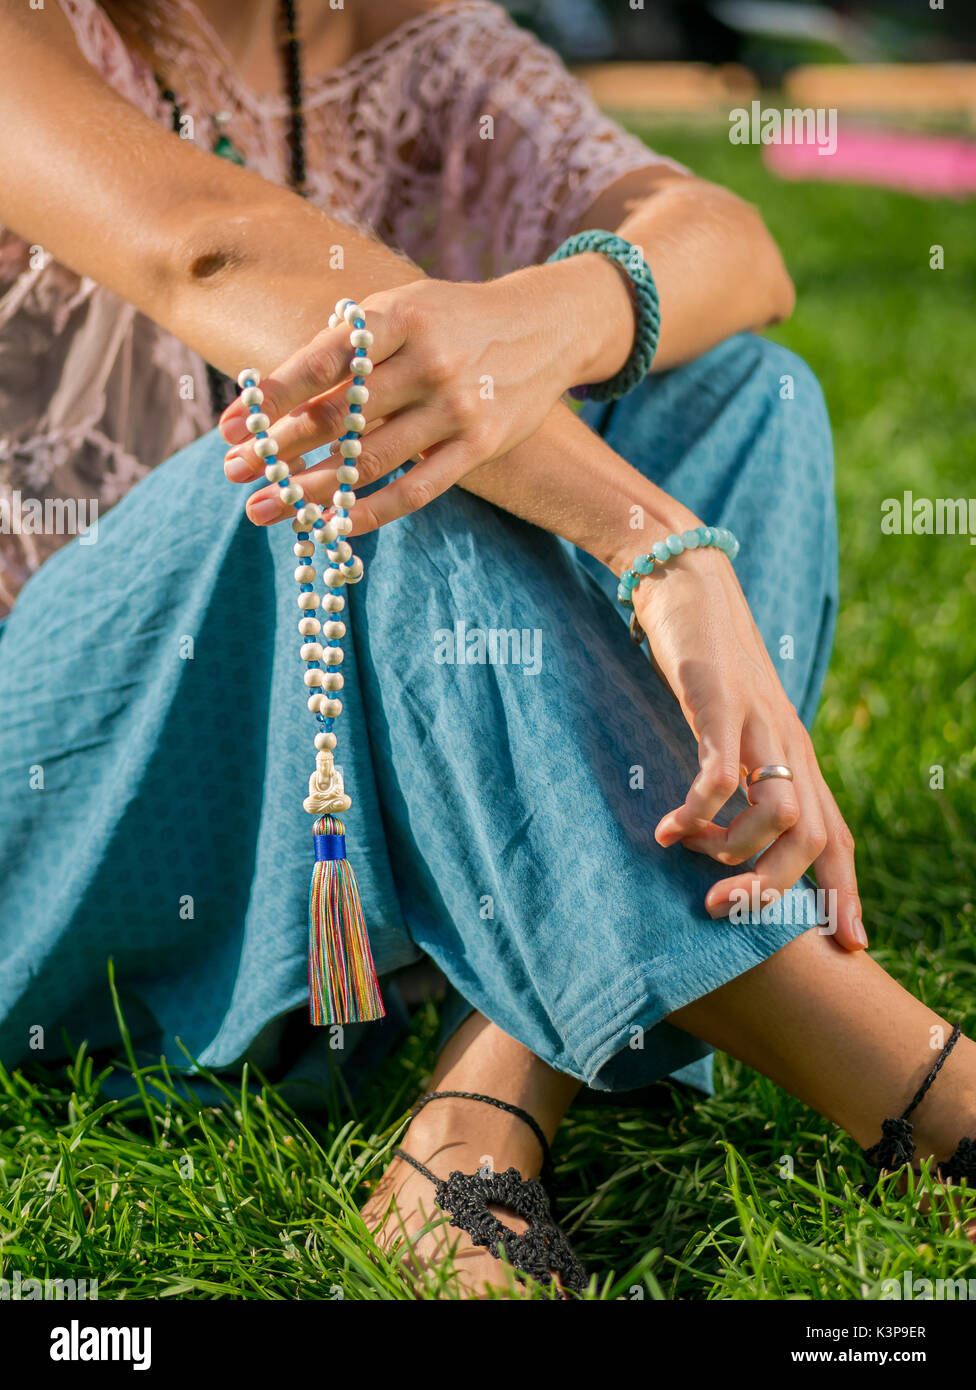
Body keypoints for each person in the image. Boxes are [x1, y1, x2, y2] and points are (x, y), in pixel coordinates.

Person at [0, 0, 972, 1298]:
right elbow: (211, 255)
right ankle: (921, 1086)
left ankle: (475, 1122)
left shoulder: (410, 39)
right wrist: (656, 540)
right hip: (51, 802)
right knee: (360, 441)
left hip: (314, 791)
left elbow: (734, 248)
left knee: (741, 389)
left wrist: (558, 319)